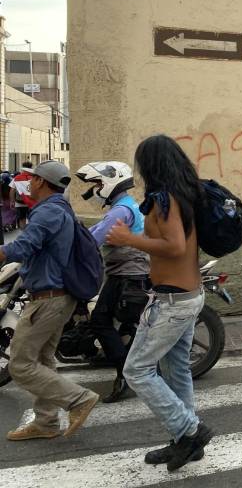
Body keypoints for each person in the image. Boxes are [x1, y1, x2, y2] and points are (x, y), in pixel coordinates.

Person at [105, 135, 212, 471]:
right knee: (176, 369)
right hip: (189, 296)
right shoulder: (184, 195)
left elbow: (175, 246)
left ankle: (189, 431)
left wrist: (129, 239)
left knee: (136, 369)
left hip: (171, 302)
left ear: (151, 165)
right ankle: (183, 441)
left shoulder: (165, 199)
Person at [1, 161, 100, 441]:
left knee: (19, 364)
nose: (28, 183)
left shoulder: (47, 212)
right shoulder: (60, 209)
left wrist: (2, 251)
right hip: (56, 296)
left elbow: (24, 246)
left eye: (32, 178)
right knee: (43, 360)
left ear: (42, 182)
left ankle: (78, 398)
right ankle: (46, 422)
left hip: (47, 299)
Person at [76, 161, 150, 403]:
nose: (95, 190)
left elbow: (93, 240)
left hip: (129, 273)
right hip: (123, 272)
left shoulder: (121, 211)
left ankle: (125, 373)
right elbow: (92, 232)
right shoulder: (122, 207)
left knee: (100, 320)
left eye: (97, 184)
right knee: (108, 320)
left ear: (110, 181)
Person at [12, 162, 37, 228]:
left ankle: (23, 233)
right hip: (32, 202)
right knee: (32, 218)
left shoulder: (17, 177)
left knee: (22, 218)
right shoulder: (35, 178)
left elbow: (12, 190)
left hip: (20, 202)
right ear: (31, 168)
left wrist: (12, 201)